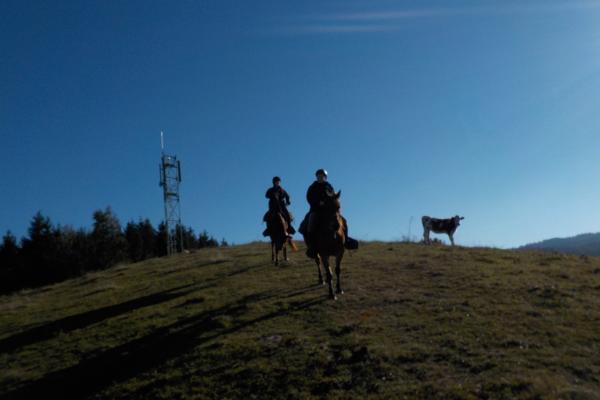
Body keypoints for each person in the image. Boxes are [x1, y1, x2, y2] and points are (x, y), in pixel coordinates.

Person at [302, 169, 357, 258]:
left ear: (325, 177)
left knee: (343, 220)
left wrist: (334, 200)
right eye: (319, 175)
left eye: (323, 176)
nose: (321, 177)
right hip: (316, 210)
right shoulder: (313, 187)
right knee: (310, 222)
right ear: (317, 177)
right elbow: (309, 197)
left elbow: (333, 197)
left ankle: (345, 241)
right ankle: (312, 247)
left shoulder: (329, 186)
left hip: (329, 210)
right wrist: (318, 202)